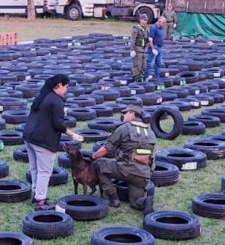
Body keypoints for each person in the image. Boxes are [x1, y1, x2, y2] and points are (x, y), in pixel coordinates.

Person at [22, 73, 83, 210]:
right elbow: (58, 124)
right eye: (66, 86)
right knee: (45, 170)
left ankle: (36, 194)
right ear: (59, 85)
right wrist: (73, 135)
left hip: (29, 136)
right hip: (42, 139)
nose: (66, 89)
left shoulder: (43, 95)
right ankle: (40, 201)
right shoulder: (56, 100)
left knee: (35, 168)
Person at [91, 102, 157, 213]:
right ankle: (146, 201)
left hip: (126, 170)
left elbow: (106, 148)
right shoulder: (149, 132)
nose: (124, 116)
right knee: (136, 202)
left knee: (99, 165)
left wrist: (93, 156)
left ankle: (113, 198)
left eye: (125, 113)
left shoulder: (124, 128)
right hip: (143, 175)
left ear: (132, 114)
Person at [130, 16, 150, 82]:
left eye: (146, 20)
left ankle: (140, 78)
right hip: (137, 49)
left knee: (143, 66)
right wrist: (132, 50)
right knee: (137, 66)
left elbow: (146, 39)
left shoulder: (146, 29)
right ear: (141, 20)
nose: (145, 21)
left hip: (143, 49)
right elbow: (133, 39)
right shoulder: (136, 29)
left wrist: (148, 40)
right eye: (144, 20)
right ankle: (136, 78)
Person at [147, 16, 166, 81]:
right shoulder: (153, 28)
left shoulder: (161, 28)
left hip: (160, 48)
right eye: (163, 22)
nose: (164, 24)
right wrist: (153, 49)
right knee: (149, 63)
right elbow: (150, 40)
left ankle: (156, 77)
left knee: (158, 63)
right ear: (159, 21)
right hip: (154, 47)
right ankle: (146, 77)